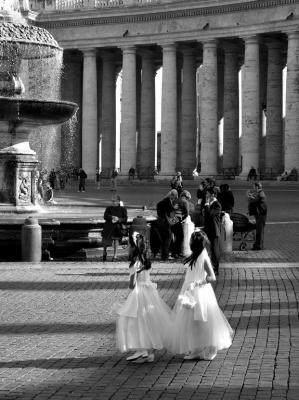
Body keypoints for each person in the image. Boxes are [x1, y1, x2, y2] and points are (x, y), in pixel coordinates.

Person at [168, 230, 234, 360]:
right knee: (192, 322)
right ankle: (196, 348)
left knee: (203, 321)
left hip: (201, 293)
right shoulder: (195, 256)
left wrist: (198, 282)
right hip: (190, 292)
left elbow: (212, 277)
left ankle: (211, 346)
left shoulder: (204, 258)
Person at [116, 232, 172, 363]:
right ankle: (149, 352)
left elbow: (132, 283)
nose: (128, 246)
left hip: (138, 292)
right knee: (149, 320)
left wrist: (127, 296)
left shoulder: (134, 262)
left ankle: (141, 349)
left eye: (129, 244)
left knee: (134, 321)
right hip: (149, 292)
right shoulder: (145, 259)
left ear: (133, 246)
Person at [156, 189, 183, 260]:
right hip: (164, 222)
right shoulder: (167, 201)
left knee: (165, 238)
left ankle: (165, 255)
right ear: (172, 195)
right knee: (168, 237)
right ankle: (165, 256)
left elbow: (159, 206)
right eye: (175, 197)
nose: (175, 198)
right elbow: (168, 210)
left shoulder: (165, 200)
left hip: (161, 221)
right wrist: (173, 208)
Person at [102, 194, 128, 261]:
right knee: (105, 241)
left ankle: (115, 256)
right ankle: (104, 252)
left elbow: (125, 218)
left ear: (118, 201)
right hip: (109, 226)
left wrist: (119, 219)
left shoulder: (123, 209)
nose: (112, 202)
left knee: (116, 240)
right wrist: (112, 217)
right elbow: (105, 216)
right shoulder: (109, 208)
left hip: (117, 227)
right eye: (112, 201)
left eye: (114, 201)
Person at [203, 186, 222, 275]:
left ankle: (216, 268)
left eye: (207, 193)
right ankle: (208, 266)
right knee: (208, 248)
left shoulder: (217, 204)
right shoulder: (209, 203)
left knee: (215, 250)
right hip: (208, 229)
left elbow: (210, 213)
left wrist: (206, 205)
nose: (206, 195)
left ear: (212, 195)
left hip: (214, 230)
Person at [247, 182, 267, 250]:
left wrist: (249, 195)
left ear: (257, 187)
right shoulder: (259, 193)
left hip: (261, 215)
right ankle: (258, 245)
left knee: (259, 231)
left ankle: (258, 246)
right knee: (259, 230)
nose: (253, 188)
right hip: (260, 214)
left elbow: (252, 200)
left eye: (254, 187)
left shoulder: (260, 194)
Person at [180, 190, 195, 257]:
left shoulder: (184, 202)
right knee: (186, 236)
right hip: (187, 221)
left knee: (183, 236)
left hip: (184, 221)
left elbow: (186, 213)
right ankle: (186, 250)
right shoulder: (191, 204)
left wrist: (181, 219)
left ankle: (183, 250)